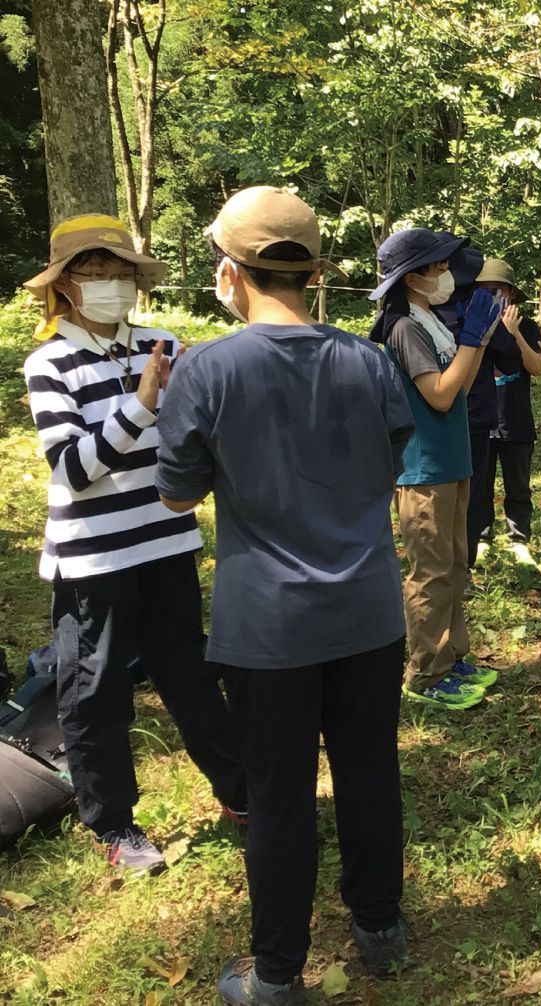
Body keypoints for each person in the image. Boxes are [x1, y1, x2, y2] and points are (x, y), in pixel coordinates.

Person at [153, 186, 416, 1003]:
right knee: (371, 773)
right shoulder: (368, 360)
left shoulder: (205, 369)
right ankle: (380, 927)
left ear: (230, 273)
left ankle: (275, 975)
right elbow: (394, 458)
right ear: (313, 275)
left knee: (278, 798)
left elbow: (174, 496)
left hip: (269, 627)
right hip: (370, 613)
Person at [21, 214, 245, 875]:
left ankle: (241, 794)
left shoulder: (164, 343)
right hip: (93, 558)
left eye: (122, 273)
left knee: (194, 678)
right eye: (95, 274)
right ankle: (113, 823)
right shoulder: (50, 362)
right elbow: (71, 470)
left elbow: (194, 443)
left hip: (167, 543)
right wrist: (143, 404)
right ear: (64, 287)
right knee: (93, 694)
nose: (112, 285)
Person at [369, 228, 502, 711]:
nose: (447, 273)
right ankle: (426, 672)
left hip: (451, 460)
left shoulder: (429, 319)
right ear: (416, 275)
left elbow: (461, 388)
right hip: (423, 469)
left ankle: (452, 656)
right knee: (430, 572)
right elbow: (440, 394)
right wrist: (470, 339)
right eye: (439, 266)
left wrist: (479, 342)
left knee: (454, 565)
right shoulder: (404, 325)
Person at [468, 258, 541, 567]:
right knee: (480, 486)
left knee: (518, 485)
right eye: (486, 290)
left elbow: (537, 368)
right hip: (481, 419)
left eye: (499, 290)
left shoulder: (526, 326)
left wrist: (513, 333)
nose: (493, 296)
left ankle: (519, 540)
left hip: (516, 421)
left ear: (511, 294)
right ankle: (482, 537)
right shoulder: (471, 323)